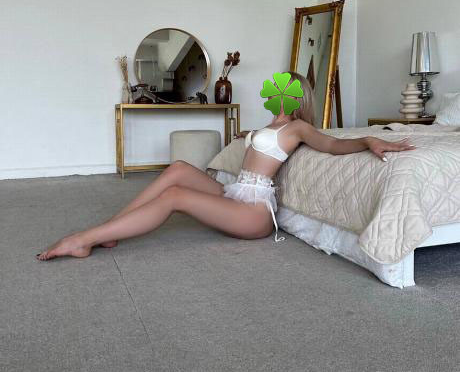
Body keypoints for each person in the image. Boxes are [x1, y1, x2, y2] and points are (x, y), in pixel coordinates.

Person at [36, 71, 415, 260]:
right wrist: (250, 135)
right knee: (178, 168)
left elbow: (332, 144)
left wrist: (368, 140)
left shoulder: (298, 127)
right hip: (236, 195)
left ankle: (82, 240)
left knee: (176, 195)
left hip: (254, 214)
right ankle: (109, 231)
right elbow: (263, 145)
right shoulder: (270, 127)